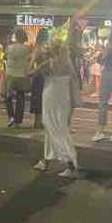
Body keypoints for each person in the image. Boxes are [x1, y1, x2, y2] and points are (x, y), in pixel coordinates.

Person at [32, 39, 79, 178]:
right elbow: (74, 80)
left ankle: (70, 163)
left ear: (52, 49)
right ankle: (46, 160)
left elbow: (29, 73)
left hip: (51, 96)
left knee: (52, 127)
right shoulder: (68, 61)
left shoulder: (49, 63)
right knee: (56, 127)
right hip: (64, 97)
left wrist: (34, 57)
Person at [4, 29, 32, 128]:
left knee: (7, 97)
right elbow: (29, 61)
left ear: (16, 36)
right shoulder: (27, 48)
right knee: (21, 98)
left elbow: (5, 57)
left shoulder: (9, 47)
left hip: (10, 75)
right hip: (22, 76)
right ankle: (18, 122)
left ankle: (11, 116)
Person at [29, 30, 50, 129]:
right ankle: (37, 122)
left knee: (42, 99)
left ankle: (40, 121)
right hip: (39, 76)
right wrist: (35, 70)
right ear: (43, 36)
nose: (48, 37)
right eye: (47, 35)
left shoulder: (42, 47)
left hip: (43, 76)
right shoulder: (38, 48)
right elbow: (32, 63)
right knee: (38, 98)